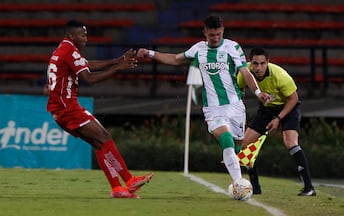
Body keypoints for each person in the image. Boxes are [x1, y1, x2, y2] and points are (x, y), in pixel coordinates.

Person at [137, 15, 270, 186]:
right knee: (226, 138)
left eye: (218, 34)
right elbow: (175, 59)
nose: (215, 38)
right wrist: (150, 53)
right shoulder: (198, 49)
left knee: (238, 145)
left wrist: (258, 93)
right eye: (211, 35)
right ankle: (238, 182)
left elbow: (245, 73)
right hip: (213, 108)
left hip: (235, 106)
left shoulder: (232, 47)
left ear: (223, 31)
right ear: (205, 33)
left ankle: (239, 175)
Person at [46, 20, 153, 199]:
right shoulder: (69, 50)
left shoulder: (65, 49)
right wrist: (118, 68)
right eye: (82, 35)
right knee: (105, 138)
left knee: (98, 143)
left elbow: (89, 65)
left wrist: (117, 60)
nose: (86, 39)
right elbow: (89, 78)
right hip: (67, 107)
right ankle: (129, 180)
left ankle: (117, 188)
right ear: (72, 36)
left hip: (61, 108)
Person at [237, 47, 316, 196]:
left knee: (290, 142)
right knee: (245, 145)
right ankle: (256, 188)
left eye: (262, 63)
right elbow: (240, 90)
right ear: (250, 62)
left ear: (268, 62)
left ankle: (309, 188)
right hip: (266, 109)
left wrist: (279, 119)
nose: (258, 67)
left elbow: (294, 99)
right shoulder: (245, 72)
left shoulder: (280, 75)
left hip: (288, 108)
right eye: (255, 63)